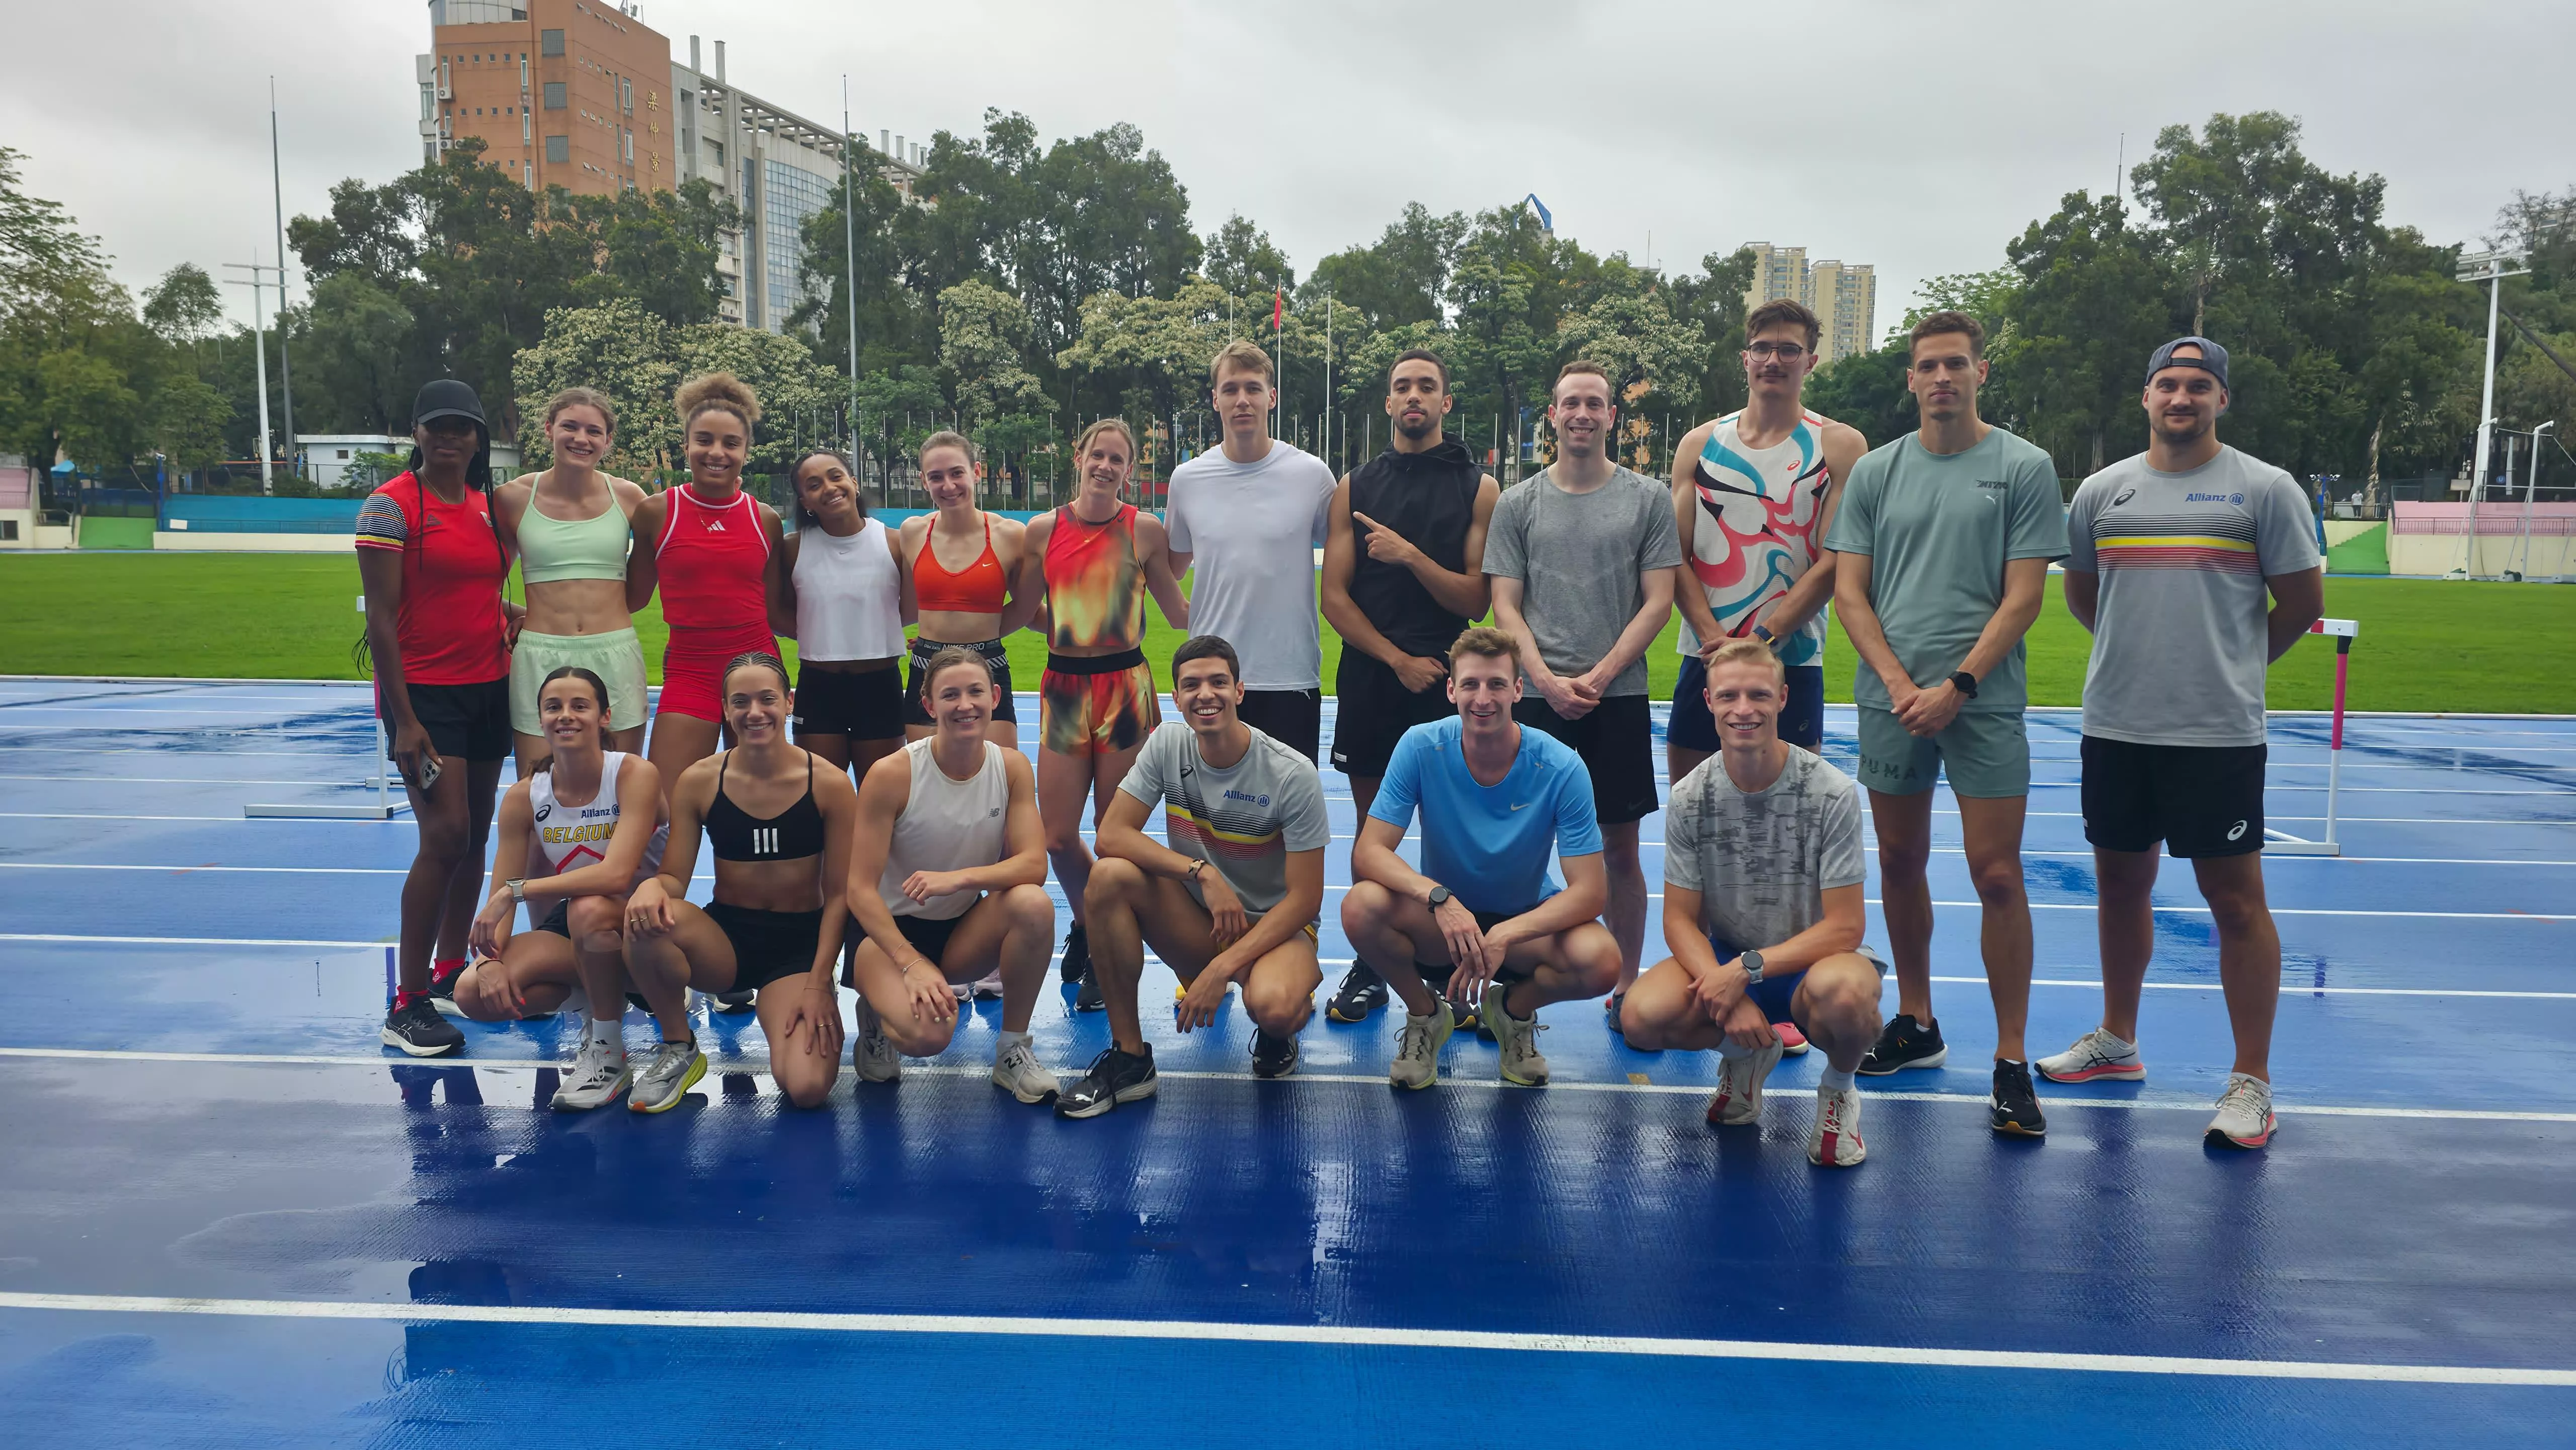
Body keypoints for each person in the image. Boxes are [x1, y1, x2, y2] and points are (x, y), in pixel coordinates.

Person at [2040, 337, 2323, 1150]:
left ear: (2221, 400)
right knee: (2120, 887)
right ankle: (2117, 1042)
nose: (2182, 397)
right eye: (2168, 382)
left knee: (2235, 903)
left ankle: (2251, 1081)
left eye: (2199, 385)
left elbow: (2301, 604)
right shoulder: (2102, 492)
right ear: (2146, 395)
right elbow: (2088, 599)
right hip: (2118, 726)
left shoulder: (2264, 490)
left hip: (2216, 735)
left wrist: (2231, 666)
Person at [1823, 310, 2066, 1138]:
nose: (1942, 379)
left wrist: (1958, 684)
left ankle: (2010, 1057)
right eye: (1928, 366)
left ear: (1980, 373)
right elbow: (1850, 591)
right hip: (1892, 699)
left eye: (1956, 364)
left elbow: (2024, 595)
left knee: (1997, 873)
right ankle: (1919, 1021)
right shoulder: (1879, 472)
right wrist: (1898, 681)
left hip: (1983, 700)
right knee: (1898, 859)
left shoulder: (2023, 466)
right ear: (1911, 379)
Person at [1618, 641, 1886, 1167]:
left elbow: (1845, 927)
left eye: (1758, 694)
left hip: (1813, 963)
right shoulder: (1691, 795)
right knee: (1641, 1017)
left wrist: (1745, 971)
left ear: (1783, 698)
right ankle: (1745, 1054)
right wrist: (1728, 990)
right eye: (1729, 695)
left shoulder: (1829, 792)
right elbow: (1677, 919)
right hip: (1730, 954)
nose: (1744, 709)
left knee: (1848, 998)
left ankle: (1837, 1090)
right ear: (1709, 701)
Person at [1056, 636, 1331, 1116]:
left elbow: (1305, 901)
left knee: (1276, 1008)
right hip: (1198, 919)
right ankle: (1130, 1057)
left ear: (1240, 691)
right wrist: (1200, 872)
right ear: (1176, 697)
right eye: (1192, 685)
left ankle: (1275, 1028)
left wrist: (1221, 971)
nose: (1206, 694)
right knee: (1108, 877)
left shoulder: (1291, 774)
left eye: (1219, 682)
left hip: (1274, 930)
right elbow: (1112, 834)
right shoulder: (1168, 743)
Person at [1484, 360, 1681, 1017]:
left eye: (1595, 404)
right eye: (1571, 403)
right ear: (1553, 414)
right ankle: (1509, 979)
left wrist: (1598, 676)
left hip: (1614, 699)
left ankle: (1625, 983)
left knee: (1619, 849)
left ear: (1611, 417)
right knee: (1516, 846)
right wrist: (1540, 678)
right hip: (1537, 700)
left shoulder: (1648, 498)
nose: (1582, 415)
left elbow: (1659, 602)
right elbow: (1505, 606)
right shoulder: (1519, 502)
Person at [1341, 627, 1619, 1089]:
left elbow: (1591, 892)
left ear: (1518, 690)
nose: (1483, 697)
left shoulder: (1561, 767)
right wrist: (1438, 897)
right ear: (1451, 689)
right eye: (1470, 684)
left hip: (1523, 927)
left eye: (1495, 684)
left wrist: (1508, 933)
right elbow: (1369, 850)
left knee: (1602, 960)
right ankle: (1426, 1015)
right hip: (1444, 928)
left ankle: (1511, 1011)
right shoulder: (1420, 745)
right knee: (1360, 906)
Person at [1319, 348, 1500, 1027]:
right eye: (1402, 387)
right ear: (1389, 405)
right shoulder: (1355, 486)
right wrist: (1396, 658)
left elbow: (1477, 598)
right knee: (1375, 832)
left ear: (1446, 403)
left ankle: (1472, 969)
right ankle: (1372, 967)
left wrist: (1410, 556)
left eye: (1428, 385)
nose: (1414, 395)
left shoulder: (1479, 488)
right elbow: (1334, 598)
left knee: (1458, 832)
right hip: (1375, 675)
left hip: (1453, 684)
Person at [359, 378, 521, 1056]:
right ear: (417, 434)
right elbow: (382, 624)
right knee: (445, 835)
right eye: (438, 426)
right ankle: (408, 999)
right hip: (425, 696)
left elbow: (481, 589)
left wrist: (508, 617)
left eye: (463, 427)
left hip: (491, 687)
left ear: (480, 438)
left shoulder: (489, 508)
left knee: (477, 832)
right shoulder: (390, 507)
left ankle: (453, 969)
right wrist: (404, 721)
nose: (451, 438)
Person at [622, 653, 860, 1112]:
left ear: (789, 702)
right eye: (741, 701)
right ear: (726, 710)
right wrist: (651, 887)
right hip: (726, 940)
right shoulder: (700, 781)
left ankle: (801, 995)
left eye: (767, 699)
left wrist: (817, 982)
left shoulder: (829, 784)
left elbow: (840, 897)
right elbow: (673, 876)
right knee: (643, 921)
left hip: (797, 948)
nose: (755, 712)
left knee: (807, 1089)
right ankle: (679, 1045)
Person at [1015, 420, 1189, 1012]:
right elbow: (1020, 610)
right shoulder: (1043, 529)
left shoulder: (1143, 528)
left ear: (1129, 469)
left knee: (1117, 839)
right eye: (1098, 455)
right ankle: (1091, 922)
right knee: (1059, 837)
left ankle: (1107, 947)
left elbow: (1179, 611)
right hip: (1064, 688)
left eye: (1118, 459)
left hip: (1125, 688)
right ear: (1079, 455)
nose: (1106, 466)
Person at [843, 646, 1064, 1103]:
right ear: (929, 706)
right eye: (950, 695)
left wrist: (958, 878)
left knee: (1033, 905)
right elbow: (859, 891)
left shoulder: (1011, 766)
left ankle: (1013, 1050)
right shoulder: (892, 774)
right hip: (884, 936)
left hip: (960, 928)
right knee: (929, 1036)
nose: (965, 704)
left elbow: (1033, 866)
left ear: (996, 696)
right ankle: (878, 1014)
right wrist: (912, 962)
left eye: (975, 692)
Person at [450, 667, 671, 1112]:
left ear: (605, 716)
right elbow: (501, 902)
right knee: (471, 992)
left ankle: (607, 1049)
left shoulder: (634, 774)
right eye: (553, 707)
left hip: (650, 925)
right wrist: (488, 960)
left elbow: (613, 876)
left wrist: (519, 890)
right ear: (540, 720)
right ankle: (598, 992)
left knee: (590, 906)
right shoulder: (525, 797)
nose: (565, 716)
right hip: (583, 926)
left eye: (579, 706)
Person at [1163, 340, 1338, 763]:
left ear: (1271, 397)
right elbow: (1168, 566)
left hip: (1289, 676)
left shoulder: (1312, 475)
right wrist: (1184, 615)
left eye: (1254, 388)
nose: (1242, 400)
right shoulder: (1188, 479)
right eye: (1231, 389)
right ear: (1216, 400)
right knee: (1215, 818)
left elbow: (1346, 564)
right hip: (1212, 678)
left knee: (1289, 821)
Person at [625, 373, 786, 792]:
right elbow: (631, 598)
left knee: (761, 804)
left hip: (757, 668)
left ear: (746, 452)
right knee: (666, 802)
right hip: (690, 670)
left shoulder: (764, 518)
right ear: (686, 446)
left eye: (731, 443)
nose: (717, 453)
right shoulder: (656, 512)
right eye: (704, 440)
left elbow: (775, 608)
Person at [493, 388, 650, 777]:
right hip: (539, 656)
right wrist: (525, 614)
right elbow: (481, 585)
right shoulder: (512, 499)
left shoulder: (630, 498)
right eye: (570, 427)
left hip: (614, 652)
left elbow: (640, 593)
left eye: (594, 431)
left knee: (620, 786)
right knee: (538, 787)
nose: (582, 439)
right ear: (549, 429)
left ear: (608, 440)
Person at [897, 431, 1035, 753]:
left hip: (987, 662)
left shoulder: (1011, 535)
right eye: (936, 477)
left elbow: (1028, 609)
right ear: (923, 481)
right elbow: (907, 608)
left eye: (957, 473)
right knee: (928, 781)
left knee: (999, 776)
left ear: (976, 472)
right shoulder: (913, 533)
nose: (948, 486)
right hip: (928, 665)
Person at [777, 448, 912, 782]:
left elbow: (907, 611)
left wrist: (868, 631)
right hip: (819, 687)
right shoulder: (792, 548)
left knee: (880, 795)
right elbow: (775, 613)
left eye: (835, 476)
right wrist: (821, 634)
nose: (829, 487)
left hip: (880, 685)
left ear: (853, 482)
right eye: (813, 484)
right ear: (805, 501)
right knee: (818, 795)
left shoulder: (895, 543)